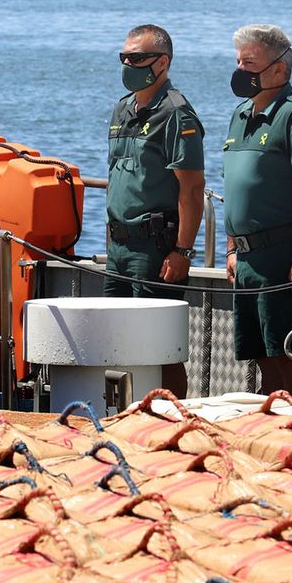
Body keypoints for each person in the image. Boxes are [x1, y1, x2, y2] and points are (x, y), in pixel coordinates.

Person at [222, 24, 292, 398]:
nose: (241, 71)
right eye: (238, 62)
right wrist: (232, 249)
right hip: (248, 259)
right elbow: (236, 188)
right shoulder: (241, 115)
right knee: (262, 360)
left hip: (284, 258)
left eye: (249, 63)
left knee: (289, 359)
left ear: (279, 70)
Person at [105, 23, 204, 398]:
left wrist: (182, 250)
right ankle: (127, 416)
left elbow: (192, 188)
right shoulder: (122, 109)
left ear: (161, 63)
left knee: (159, 348)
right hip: (119, 248)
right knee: (115, 341)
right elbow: (116, 177)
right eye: (124, 57)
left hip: (155, 250)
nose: (128, 63)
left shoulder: (176, 114)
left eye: (136, 57)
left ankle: (171, 416)